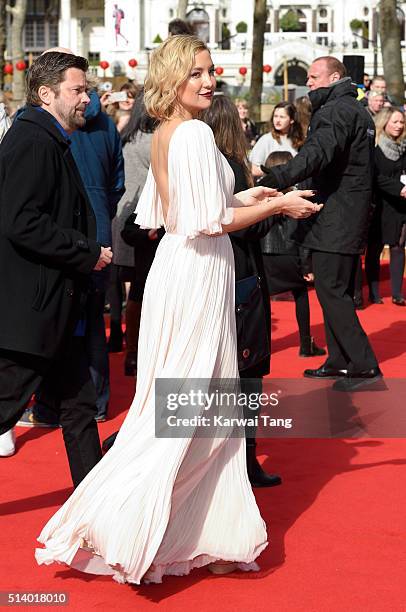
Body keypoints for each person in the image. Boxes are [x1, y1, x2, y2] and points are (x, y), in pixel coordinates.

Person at [35, 35, 320, 584]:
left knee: (191, 409)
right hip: (196, 273)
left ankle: (200, 535)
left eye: (211, 71)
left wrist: (248, 198)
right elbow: (199, 220)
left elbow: (183, 210)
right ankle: (119, 522)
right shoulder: (191, 132)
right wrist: (280, 203)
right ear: (171, 79)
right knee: (191, 411)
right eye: (196, 73)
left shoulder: (166, 132)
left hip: (182, 268)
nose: (208, 81)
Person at [0, 52, 113, 485]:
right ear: (47, 94)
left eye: (86, 89)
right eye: (78, 90)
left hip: (52, 304)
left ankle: (93, 507)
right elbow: (20, 221)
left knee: (79, 407)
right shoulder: (32, 140)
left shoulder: (48, 137)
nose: (87, 98)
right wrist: (86, 250)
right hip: (33, 310)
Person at [259, 56, 382, 390]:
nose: (308, 83)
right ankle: (340, 361)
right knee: (332, 289)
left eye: (314, 77)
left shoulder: (335, 111)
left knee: (331, 291)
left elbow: (317, 155)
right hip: (344, 212)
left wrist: (275, 177)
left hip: (338, 215)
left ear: (335, 77)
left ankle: (363, 365)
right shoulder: (354, 109)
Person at [19, 75, 125, 427]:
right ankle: (93, 402)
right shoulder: (106, 123)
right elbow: (117, 183)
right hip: (96, 228)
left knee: (56, 320)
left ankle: (52, 406)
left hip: (61, 236)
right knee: (91, 321)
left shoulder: (38, 123)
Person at [202, 92, 281, 487]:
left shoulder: (214, 164)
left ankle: (240, 463)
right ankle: (243, 463)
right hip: (240, 276)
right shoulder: (229, 165)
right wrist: (275, 208)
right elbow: (240, 225)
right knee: (244, 373)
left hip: (227, 273)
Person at [111, 89, 159, 377]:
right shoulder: (154, 139)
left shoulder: (127, 135)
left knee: (130, 289)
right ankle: (139, 349)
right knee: (144, 289)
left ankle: (128, 348)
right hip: (147, 217)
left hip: (124, 214)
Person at [260, 151, 326, 358]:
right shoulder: (297, 198)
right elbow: (303, 235)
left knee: (262, 300)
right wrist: (308, 266)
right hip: (290, 256)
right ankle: (306, 344)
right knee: (301, 294)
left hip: (264, 255)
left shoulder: (262, 197)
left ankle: (264, 347)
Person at [365, 107, 406, 306]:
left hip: (399, 206)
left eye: (402, 122)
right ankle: (374, 293)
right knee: (375, 248)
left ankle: (398, 294)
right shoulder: (374, 148)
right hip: (379, 204)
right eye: (395, 121)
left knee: (398, 246)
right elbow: (375, 177)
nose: (399, 126)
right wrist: (399, 188)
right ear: (384, 122)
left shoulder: (404, 147)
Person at [250, 101, 304, 178]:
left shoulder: (299, 141)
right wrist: (276, 173)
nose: (277, 120)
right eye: (275, 116)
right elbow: (254, 169)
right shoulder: (266, 139)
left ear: (292, 120)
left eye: (282, 117)